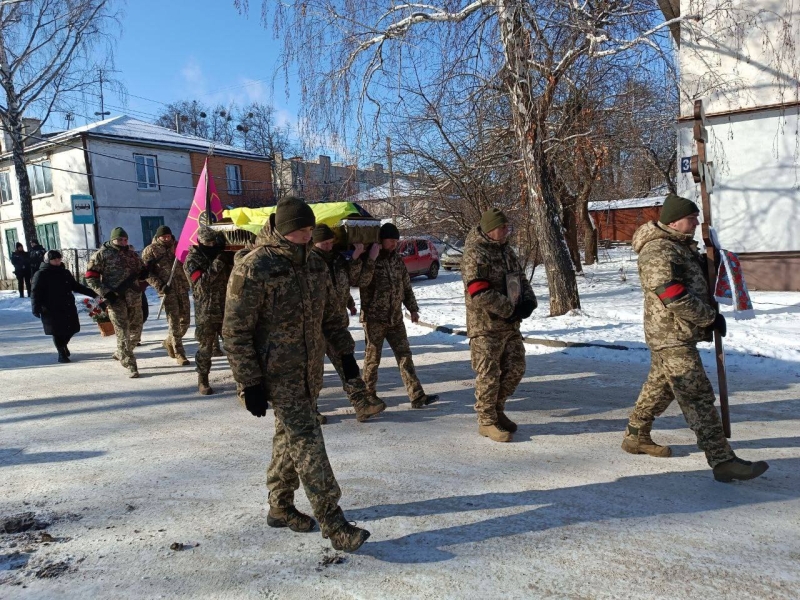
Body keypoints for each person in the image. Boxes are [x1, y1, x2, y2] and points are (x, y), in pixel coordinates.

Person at [223, 196, 370, 553]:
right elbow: (235, 331)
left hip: (309, 370)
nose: (308, 235)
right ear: (285, 230)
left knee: (288, 437)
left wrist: (347, 362)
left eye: (310, 229)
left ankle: (280, 506)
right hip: (275, 374)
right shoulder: (255, 266)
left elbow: (331, 318)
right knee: (307, 438)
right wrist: (250, 382)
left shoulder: (316, 265)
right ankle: (334, 522)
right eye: (301, 231)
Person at [624, 193, 769, 482]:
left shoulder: (679, 246)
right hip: (670, 334)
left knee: (662, 386)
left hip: (678, 332)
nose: (695, 223)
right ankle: (722, 460)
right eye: (691, 218)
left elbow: (689, 280)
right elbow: (671, 295)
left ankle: (636, 434)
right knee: (697, 395)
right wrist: (709, 317)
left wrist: (709, 263)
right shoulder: (658, 251)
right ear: (674, 221)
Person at [461, 208, 536, 442]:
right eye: (502, 227)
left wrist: (529, 300)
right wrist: (511, 310)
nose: (506, 231)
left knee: (516, 368)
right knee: (488, 375)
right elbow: (479, 292)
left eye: (507, 227)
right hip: (486, 326)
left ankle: (497, 410)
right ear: (490, 229)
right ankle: (486, 421)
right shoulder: (475, 253)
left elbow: (520, 278)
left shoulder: (506, 250)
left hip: (510, 325)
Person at [310, 223, 386, 423]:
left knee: (348, 363)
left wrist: (363, 257)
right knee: (313, 372)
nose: (327, 246)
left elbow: (349, 283)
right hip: (314, 327)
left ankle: (361, 404)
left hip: (336, 324)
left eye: (330, 242)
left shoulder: (337, 260)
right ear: (313, 242)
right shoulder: (307, 262)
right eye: (323, 243)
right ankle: (309, 410)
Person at [358, 222, 438, 408]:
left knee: (405, 356)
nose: (394, 244)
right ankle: (368, 396)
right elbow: (361, 281)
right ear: (381, 240)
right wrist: (370, 258)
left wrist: (413, 308)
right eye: (390, 240)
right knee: (372, 359)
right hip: (374, 319)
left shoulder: (397, 260)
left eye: (396, 240)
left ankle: (417, 396)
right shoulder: (369, 259)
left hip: (395, 319)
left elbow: (406, 286)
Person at [85, 227, 147, 378]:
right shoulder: (101, 255)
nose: (123, 242)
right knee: (123, 333)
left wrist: (144, 273)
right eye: (120, 239)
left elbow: (142, 270)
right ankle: (130, 364)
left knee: (136, 332)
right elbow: (90, 277)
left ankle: (121, 352)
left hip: (134, 298)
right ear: (112, 239)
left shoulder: (132, 255)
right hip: (115, 300)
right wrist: (106, 293)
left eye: (125, 240)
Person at [184, 226, 233, 395]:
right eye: (207, 242)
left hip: (227, 308)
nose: (211, 245)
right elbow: (202, 284)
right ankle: (203, 378)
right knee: (206, 348)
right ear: (200, 241)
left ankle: (243, 381)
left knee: (234, 346)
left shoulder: (223, 255)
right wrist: (218, 262)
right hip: (206, 311)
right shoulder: (192, 259)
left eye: (214, 242)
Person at [31, 250, 100, 363]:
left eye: (59, 259)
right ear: (48, 260)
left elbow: (76, 286)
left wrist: (93, 294)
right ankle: (61, 353)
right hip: (50, 308)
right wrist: (35, 307)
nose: (58, 262)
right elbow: (35, 292)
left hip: (67, 305)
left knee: (72, 328)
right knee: (57, 331)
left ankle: (63, 345)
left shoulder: (65, 272)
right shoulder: (41, 274)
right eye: (55, 260)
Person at [143, 225, 191, 366]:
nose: (166, 238)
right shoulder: (150, 250)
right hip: (167, 290)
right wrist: (160, 285)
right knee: (174, 322)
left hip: (182, 288)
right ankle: (180, 354)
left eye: (168, 236)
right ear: (158, 237)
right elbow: (147, 273)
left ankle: (168, 342)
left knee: (185, 322)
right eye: (163, 236)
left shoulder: (179, 246)